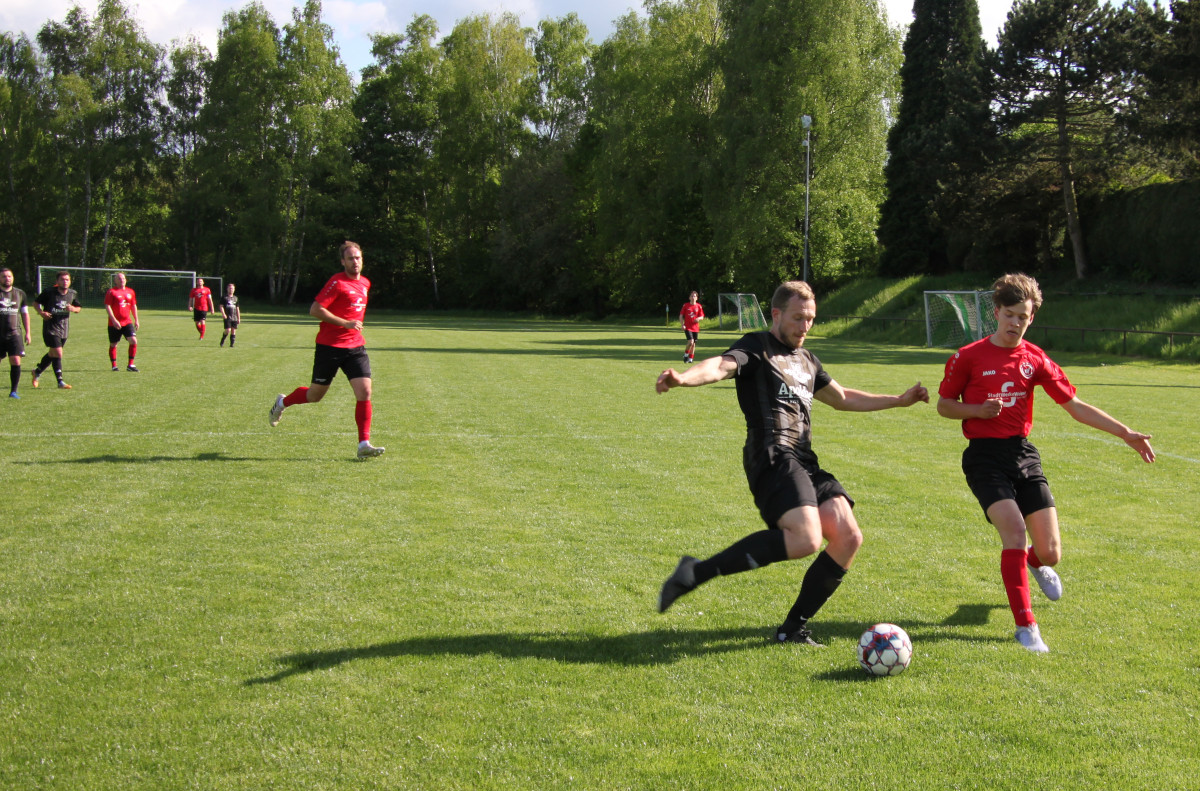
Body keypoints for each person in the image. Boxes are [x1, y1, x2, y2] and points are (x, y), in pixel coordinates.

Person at [655, 280, 929, 645]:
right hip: (771, 454)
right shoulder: (756, 347)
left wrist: (899, 399)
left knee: (848, 537)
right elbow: (719, 366)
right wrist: (683, 379)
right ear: (777, 314)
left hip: (804, 459)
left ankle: (791, 629)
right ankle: (697, 572)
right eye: (799, 318)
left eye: (811, 319)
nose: (805, 326)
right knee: (806, 538)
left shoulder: (808, 360)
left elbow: (844, 397)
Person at [936, 273, 1155, 653]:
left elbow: (1074, 406)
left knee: (1050, 551)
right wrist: (977, 410)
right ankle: (1026, 627)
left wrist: (1126, 433)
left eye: (1023, 316)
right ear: (996, 312)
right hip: (984, 458)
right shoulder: (968, 357)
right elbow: (944, 405)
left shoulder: (1034, 358)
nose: (1015, 323)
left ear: (1032, 317)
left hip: (1022, 454)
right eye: (1009, 314)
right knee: (1014, 534)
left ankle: (1037, 565)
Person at [268, 241, 384, 459]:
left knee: (365, 392)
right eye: (350, 258)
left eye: (358, 257)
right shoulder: (337, 282)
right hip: (329, 347)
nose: (355, 262)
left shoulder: (366, 283)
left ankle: (363, 444)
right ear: (343, 261)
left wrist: (351, 328)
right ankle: (282, 402)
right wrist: (345, 323)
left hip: (355, 347)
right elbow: (315, 309)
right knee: (314, 396)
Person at [31, 270, 82, 389]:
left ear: (70, 281)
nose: (65, 282)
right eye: (62, 279)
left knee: (52, 353)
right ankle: (60, 381)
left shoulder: (72, 293)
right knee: (58, 353)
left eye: (67, 279)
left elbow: (78, 307)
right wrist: (41, 312)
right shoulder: (49, 292)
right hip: (50, 328)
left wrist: (73, 309)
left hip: (64, 328)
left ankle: (37, 371)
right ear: (57, 281)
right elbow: (35, 303)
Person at [0, 267, 32, 399]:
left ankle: (13, 391)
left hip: (14, 333)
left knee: (15, 360)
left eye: (9, 276)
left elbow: (25, 314)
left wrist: (28, 332)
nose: (7, 278)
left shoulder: (20, 294)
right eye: (4, 276)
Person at [104, 272, 139, 372]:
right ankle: (114, 366)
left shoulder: (130, 291)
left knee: (133, 340)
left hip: (127, 321)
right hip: (114, 323)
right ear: (115, 281)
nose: (122, 280)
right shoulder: (111, 292)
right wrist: (114, 320)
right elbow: (107, 306)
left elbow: (133, 306)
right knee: (113, 344)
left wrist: (136, 319)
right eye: (119, 278)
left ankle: (130, 365)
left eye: (123, 278)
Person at [679, 290, 705, 364]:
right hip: (688, 327)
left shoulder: (699, 306)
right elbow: (681, 315)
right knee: (691, 341)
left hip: (695, 328)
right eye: (692, 296)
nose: (693, 297)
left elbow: (702, 316)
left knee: (693, 344)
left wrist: (698, 318)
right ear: (689, 297)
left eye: (694, 296)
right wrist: (682, 324)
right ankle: (686, 355)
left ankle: (690, 358)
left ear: (697, 298)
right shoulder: (686, 305)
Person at [219, 282, 240, 348]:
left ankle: (232, 344)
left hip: (234, 317)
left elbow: (237, 309)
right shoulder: (224, 297)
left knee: (233, 331)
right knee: (228, 330)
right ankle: (223, 339)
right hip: (227, 316)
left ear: (234, 289)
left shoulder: (236, 298)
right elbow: (221, 306)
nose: (231, 289)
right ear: (227, 289)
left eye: (232, 288)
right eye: (230, 288)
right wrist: (223, 314)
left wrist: (239, 318)